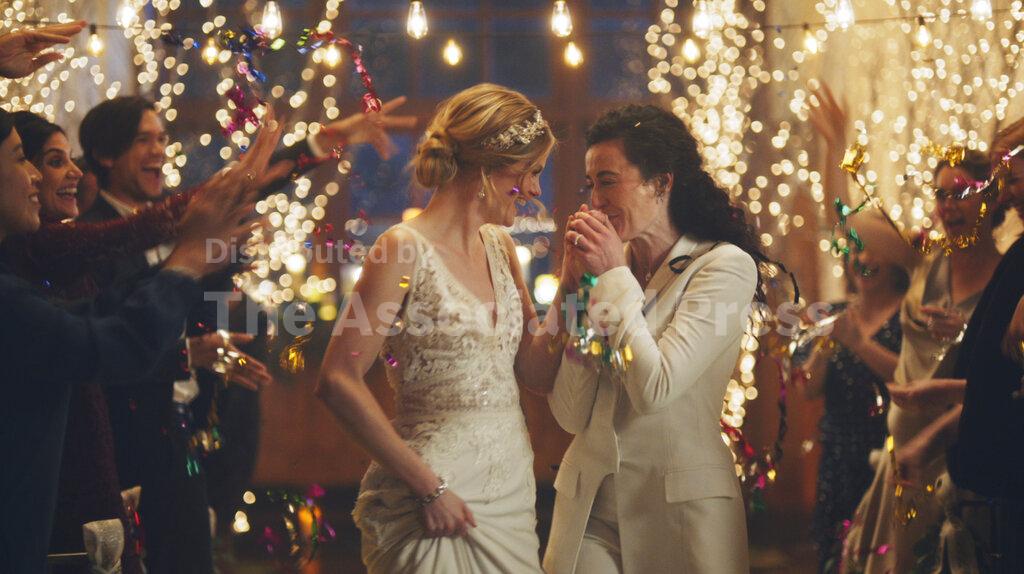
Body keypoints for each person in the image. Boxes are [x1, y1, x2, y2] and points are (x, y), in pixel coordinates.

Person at [75, 94, 412, 573]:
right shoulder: (90, 238)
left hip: (185, 437)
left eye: (162, 139)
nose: (159, 151)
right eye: (143, 140)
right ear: (106, 154)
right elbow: (105, 344)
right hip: (124, 444)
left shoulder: (167, 222)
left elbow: (250, 186)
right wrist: (187, 353)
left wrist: (329, 139)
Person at [0, 104, 283, 573]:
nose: (35, 175)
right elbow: (106, 343)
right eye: (23, 160)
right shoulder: (35, 263)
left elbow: (97, 313)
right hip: (79, 486)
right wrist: (189, 258)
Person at [315, 83, 573, 573]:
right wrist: (428, 487)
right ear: (489, 167)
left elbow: (535, 374)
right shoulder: (403, 250)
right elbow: (337, 379)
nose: (536, 190)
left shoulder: (501, 247)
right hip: (435, 502)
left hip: (512, 495)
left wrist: (573, 285)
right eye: (531, 171)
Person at [544, 104, 763, 573]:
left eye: (608, 182)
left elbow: (655, 388)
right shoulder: (606, 271)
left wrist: (612, 277)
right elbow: (568, 412)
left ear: (661, 183)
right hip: (590, 510)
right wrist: (575, 290)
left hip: (678, 512)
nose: (595, 201)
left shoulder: (723, 266)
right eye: (590, 184)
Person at [807, 86, 1006, 573]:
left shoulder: (1009, 278)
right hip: (900, 456)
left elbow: (1004, 381)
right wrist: (836, 144)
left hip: (959, 458)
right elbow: (847, 223)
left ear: (992, 199)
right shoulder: (925, 260)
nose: (949, 205)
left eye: (962, 194)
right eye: (942, 194)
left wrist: (971, 330)